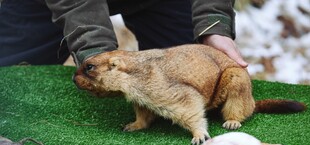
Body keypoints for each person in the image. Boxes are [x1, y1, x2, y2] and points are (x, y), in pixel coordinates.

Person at [0, 0, 247, 68]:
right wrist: (95, 50)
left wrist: (213, 24)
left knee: (192, 84)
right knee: (8, 83)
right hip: (44, 5)